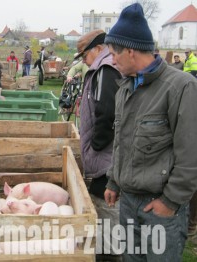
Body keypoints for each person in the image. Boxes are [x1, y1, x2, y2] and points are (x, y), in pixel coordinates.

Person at [104, 3, 197, 261]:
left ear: (131, 51)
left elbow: (191, 154)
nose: (111, 60)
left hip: (161, 207)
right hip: (129, 204)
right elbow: (121, 141)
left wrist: (169, 202)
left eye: (114, 53)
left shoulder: (180, 88)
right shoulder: (125, 88)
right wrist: (114, 181)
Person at [75, 29, 122, 260]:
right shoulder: (102, 69)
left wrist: (95, 145)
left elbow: (109, 112)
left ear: (97, 48)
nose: (83, 60)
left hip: (106, 158)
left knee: (108, 210)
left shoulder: (105, 70)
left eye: (84, 54)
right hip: (105, 157)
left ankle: (110, 255)